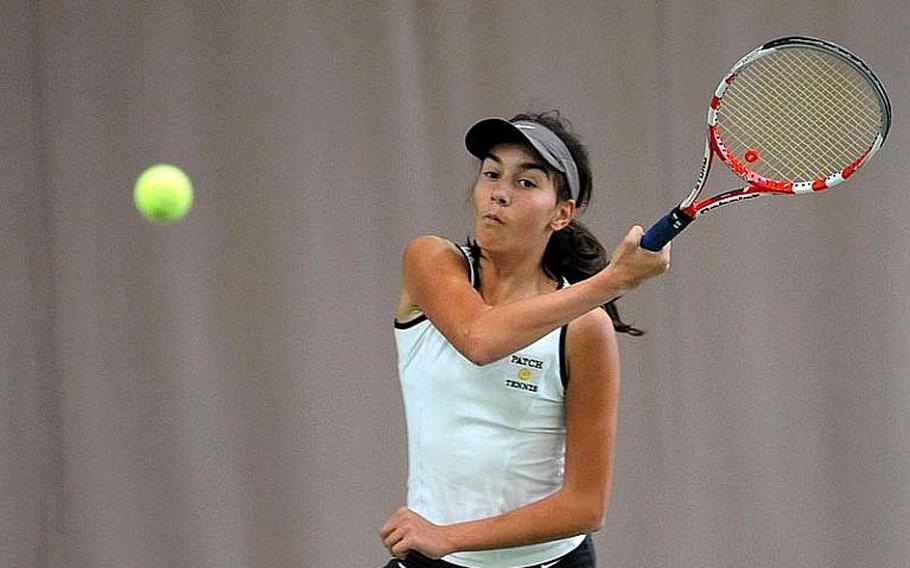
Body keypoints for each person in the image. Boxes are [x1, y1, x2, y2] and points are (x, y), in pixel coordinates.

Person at [379, 112, 670, 568]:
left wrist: (449, 537)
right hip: (431, 556)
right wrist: (614, 281)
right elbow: (479, 338)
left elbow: (585, 506)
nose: (499, 192)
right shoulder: (430, 260)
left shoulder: (584, 327)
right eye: (492, 173)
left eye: (527, 183)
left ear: (562, 214)